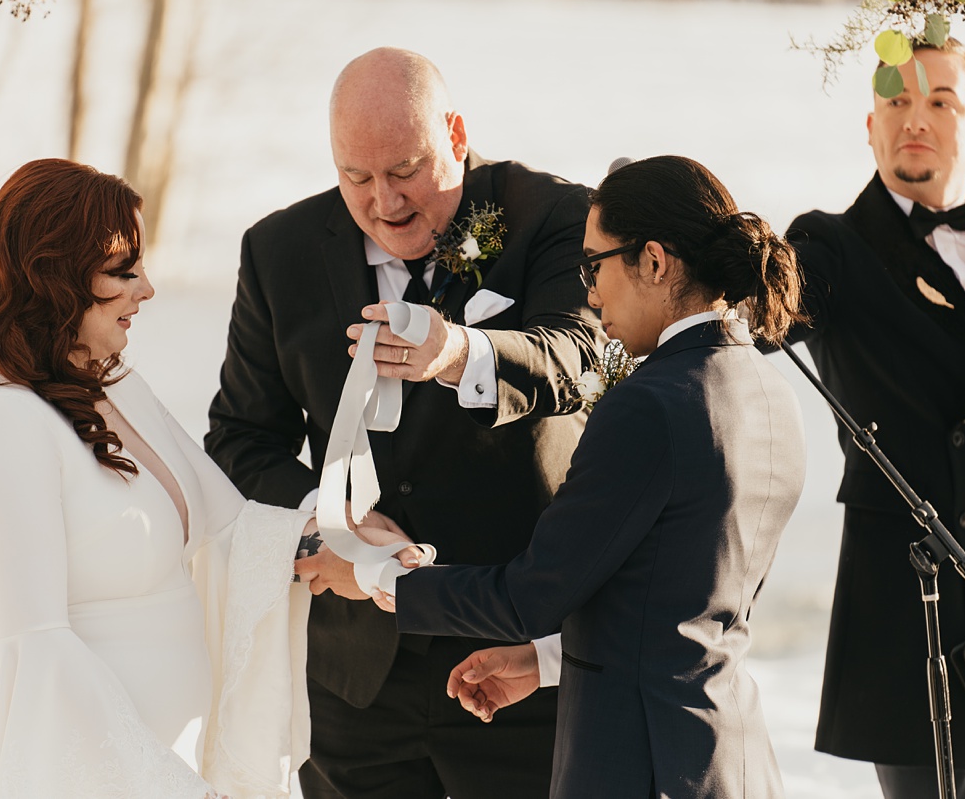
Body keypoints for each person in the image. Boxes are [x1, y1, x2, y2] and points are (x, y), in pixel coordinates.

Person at [0, 158, 411, 799]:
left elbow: (230, 533)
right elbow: (37, 652)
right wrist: (165, 785)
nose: (147, 289)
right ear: (52, 277)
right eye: (123, 271)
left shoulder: (110, 384)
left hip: (171, 759)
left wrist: (341, 545)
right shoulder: (3, 417)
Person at [309, 154, 810, 798]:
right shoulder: (770, 392)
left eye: (594, 264)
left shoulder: (650, 402)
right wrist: (546, 663)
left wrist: (375, 575)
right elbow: (682, 606)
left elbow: (530, 594)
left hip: (639, 766)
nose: (590, 292)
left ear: (654, 262)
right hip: (728, 757)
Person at [204, 47, 600, 798]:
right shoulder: (277, 252)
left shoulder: (551, 215)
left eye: (405, 171)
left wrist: (459, 351)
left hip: (514, 651)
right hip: (356, 675)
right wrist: (334, 522)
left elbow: (577, 358)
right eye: (357, 177)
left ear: (454, 134)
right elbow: (240, 438)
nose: (384, 200)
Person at [783, 38, 965, 797]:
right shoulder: (828, 246)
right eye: (897, 101)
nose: (916, 118)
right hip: (913, 588)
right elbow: (772, 307)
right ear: (870, 126)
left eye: (940, 100)